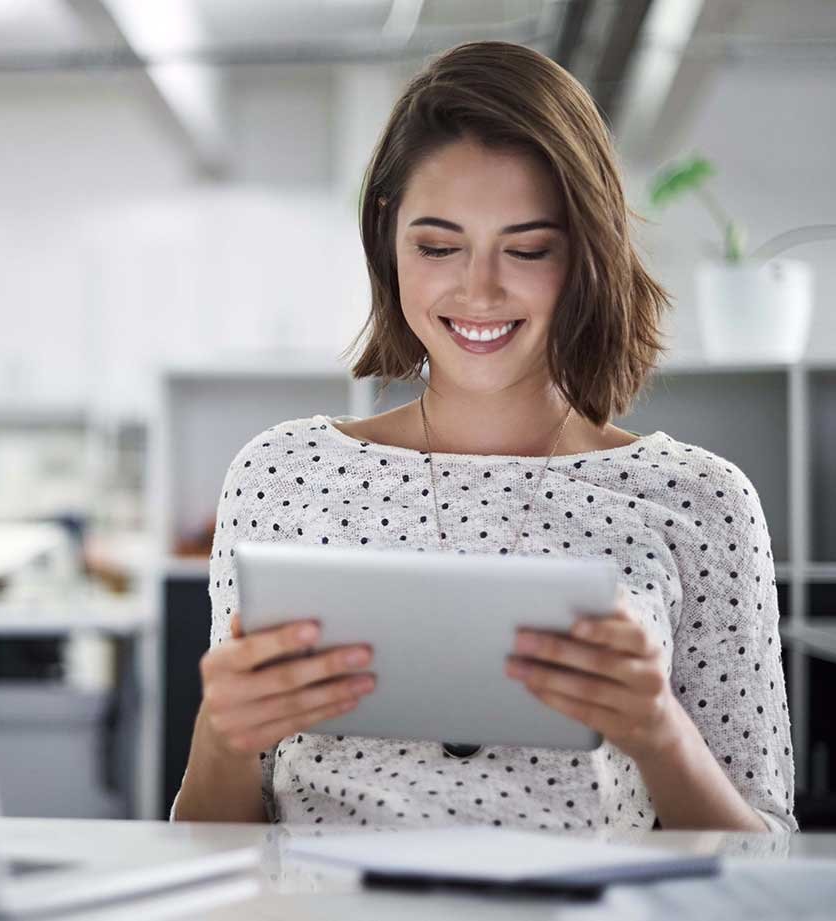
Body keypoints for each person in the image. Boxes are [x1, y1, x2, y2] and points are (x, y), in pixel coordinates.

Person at [170, 40, 796, 833]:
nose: (479, 290)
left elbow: (767, 855)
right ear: (388, 242)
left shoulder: (702, 499)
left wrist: (659, 734)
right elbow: (212, 846)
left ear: (586, 257)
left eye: (527, 248)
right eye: (438, 247)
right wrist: (222, 738)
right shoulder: (281, 473)